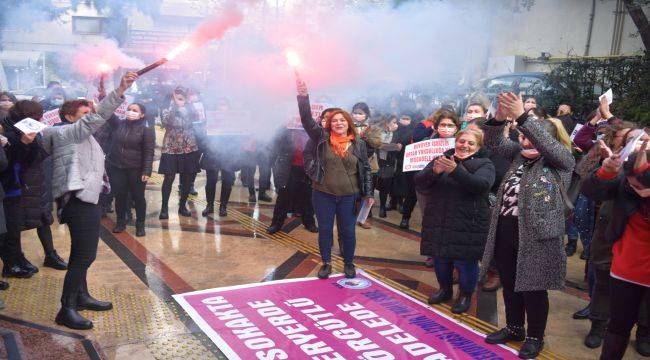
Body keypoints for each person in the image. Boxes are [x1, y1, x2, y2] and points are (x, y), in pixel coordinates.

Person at [480, 92, 575, 359]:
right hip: (506, 231)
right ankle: (513, 328)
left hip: (537, 237)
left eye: (532, 137)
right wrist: (499, 120)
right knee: (510, 283)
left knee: (533, 288)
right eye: (522, 137)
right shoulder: (518, 157)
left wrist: (523, 117)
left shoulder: (561, 163)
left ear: (548, 141)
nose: (525, 142)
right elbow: (495, 142)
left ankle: (535, 337)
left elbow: (550, 146)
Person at [40, 72, 137, 330]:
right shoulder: (67, 133)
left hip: (88, 198)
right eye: (84, 114)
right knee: (84, 256)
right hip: (78, 201)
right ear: (70, 117)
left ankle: (80, 296)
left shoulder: (78, 134)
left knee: (81, 255)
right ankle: (66, 308)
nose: (90, 118)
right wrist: (119, 91)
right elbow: (98, 117)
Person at [297, 76, 372, 279]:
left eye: (342, 120)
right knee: (325, 231)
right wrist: (303, 97)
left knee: (348, 231)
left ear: (348, 123)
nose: (338, 123)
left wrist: (368, 193)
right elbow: (306, 120)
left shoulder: (358, 144)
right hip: (324, 194)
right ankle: (327, 263)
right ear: (329, 124)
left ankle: (349, 263)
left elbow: (365, 168)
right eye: (334, 121)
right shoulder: (321, 138)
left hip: (349, 196)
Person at [582, 139, 650, 360]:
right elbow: (591, 190)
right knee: (617, 328)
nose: (637, 190)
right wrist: (606, 171)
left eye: (642, 185)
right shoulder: (625, 183)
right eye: (633, 186)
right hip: (625, 269)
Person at [416, 128, 495, 314]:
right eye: (462, 141)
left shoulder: (485, 164)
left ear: (478, 146)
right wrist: (434, 172)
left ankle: (465, 295)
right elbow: (419, 181)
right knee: (440, 259)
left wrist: (455, 171)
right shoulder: (442, 158)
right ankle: (444, 290)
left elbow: (480, 186)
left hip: (467, 224)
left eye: (471, 143)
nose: (465, 146)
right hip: (439, 219)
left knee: (465, 263)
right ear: (455, 142)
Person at [0, 101, 68, 278]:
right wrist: (22, 144)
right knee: (13, 227)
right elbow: (10, 162)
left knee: (40, 219)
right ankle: (13, 262)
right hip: (13, 186)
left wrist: (31, 144)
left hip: (33, 183)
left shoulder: (31, 132)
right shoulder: (8, 134)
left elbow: (34, 158)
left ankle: (38, 257)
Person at [105, 103, 155, 237]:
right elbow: (108, 112)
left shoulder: (146, 130)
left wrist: (146, 171)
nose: (131, 112)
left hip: (136, 169)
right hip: (118, 167)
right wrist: (102, 99)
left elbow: (149, 152)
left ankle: (140, 224)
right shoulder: (119, 124)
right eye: (129, 109)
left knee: (138, 197)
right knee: (120, 196)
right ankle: (121, 222)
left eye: (135, 110)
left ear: (142, 114)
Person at [267, 118, 321, 234]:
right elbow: (275, 143)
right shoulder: (286, 126)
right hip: (289, 167)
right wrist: (284, 126)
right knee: (284, 197)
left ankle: (309, 222)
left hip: (308, 167)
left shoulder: (315, 128)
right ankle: (276, 223)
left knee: (307, 197)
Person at [158, 87, 202, 219]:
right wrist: (175, 108)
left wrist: (188, 105)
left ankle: (182, 205)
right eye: (177, 96)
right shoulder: (167, 106)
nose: (180, 99)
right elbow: (166, 122)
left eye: (182, 96)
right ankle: (164, 207)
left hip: (189, 145)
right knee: (169, 177)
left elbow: (197, 118)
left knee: (187, 178)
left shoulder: (190, 106)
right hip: (171, 146)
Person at [376, 115, 402, 218]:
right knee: (372, 185)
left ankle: (382, 207)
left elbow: (399, 147)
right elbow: (379, 145)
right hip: (376, 161)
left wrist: (392, 147)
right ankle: (367, 210)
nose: (396, 125)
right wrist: (394, 146)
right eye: (394, 122)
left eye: (396, 123)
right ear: (387, 123)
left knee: (385, 186)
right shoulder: (378, 132)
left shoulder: (396, 134)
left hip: (389, 163)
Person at [390, 113, 415, 214]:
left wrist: (401, 142)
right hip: (393, 157)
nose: (405, 120)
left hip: (406, 158)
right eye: (403, 118)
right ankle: (392, 201)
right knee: (392, 180)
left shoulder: (413, 130)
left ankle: (400, 202)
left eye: (407, 118)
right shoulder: (395, 128)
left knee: (402, 180)